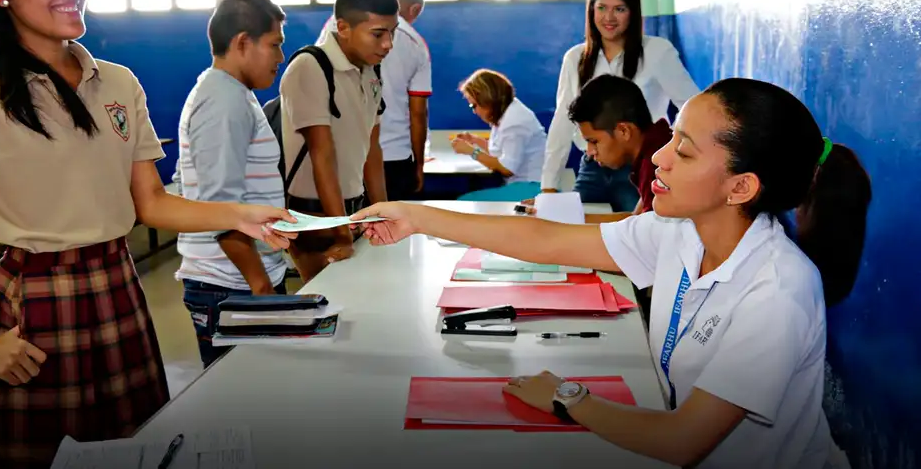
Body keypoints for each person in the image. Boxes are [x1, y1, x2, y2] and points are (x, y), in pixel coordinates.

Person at [0, 0, 296, 469]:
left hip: (118, 291)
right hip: (33, 307)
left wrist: (239, 214)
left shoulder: (118, 82)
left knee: (134, 449)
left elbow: (150, 203)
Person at [352, 77, 871, 469]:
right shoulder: (681, 232)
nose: (661, 158)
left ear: (740, 189)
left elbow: (682, 439)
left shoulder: (776, 292)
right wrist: (415, 216)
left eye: (684, 151)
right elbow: (549, 239)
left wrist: (568, 396)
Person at [174, 0, 292, 369]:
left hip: (240, 280)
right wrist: (261, 288)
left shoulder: (233, 95)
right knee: (246, 409)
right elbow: (220, 209)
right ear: (242, 42)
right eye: (274, 45)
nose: (280, 58)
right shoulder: (223, 101)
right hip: (232, 287)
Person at [539, 0, 699, 211]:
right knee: (573, 230)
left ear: (633, 12)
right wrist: (548, 188)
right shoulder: (575, 58)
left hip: (640, 168)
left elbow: (693, 107)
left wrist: (673, 159)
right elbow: (562, 121)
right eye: (602, 7)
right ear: (591, 9)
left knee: (638, 236)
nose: (609, 17)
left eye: (619, 9)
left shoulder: (658, 52)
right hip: (592, 167)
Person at [280, 0, 396, 281]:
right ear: (343, 28)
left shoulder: (371, 71)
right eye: (378, 34)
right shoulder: (310, 66)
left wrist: (383, 213)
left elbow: (372, 148)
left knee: (360, 305)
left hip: (353, 213)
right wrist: (340, 234)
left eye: (392, 33)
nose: (388, 44)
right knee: (329, 310)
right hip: (316, 220)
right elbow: (322, 155)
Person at [317, 0, 432, 200]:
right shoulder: (416, 44)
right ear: (414, 9)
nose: (387, 45)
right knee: (390, 230)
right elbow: (418, 113)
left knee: (351, 227)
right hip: (394, 157)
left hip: (346, 153)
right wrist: (418, 164)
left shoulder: (336, 27)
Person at [567, 74, 672, 224]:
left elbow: (646, 236)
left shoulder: (657, 165)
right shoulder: (652, 150)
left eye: (594, 141)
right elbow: (636, 219)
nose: (589, 152)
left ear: (624, 131)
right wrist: (561, 220)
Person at [451, 69, 547, 202]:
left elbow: (507, 168)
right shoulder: (508, 112)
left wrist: (472, 151)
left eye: (474, 105)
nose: (474, 111)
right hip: (524, 185)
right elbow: (502, 152)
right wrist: (475, 141)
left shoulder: (515, 121)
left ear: (487, 100)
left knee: (465, 202)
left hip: (531, 188)